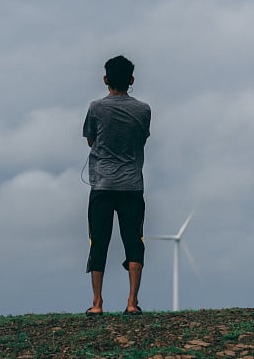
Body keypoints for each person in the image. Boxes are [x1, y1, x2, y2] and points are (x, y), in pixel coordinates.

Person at [82, 55, 151, 316]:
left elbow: (90, 140)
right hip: (132, 185)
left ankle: (97, 303)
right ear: (132, 79)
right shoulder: (144, 109)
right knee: (134, 241)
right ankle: (132, 302)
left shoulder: (95, 108)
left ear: (105, 79)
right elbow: (141, 139)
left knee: (98, 241)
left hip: (102, 184)